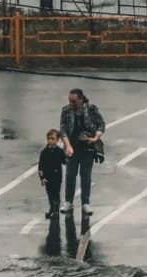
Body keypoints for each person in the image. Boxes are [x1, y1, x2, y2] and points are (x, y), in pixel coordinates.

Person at [59, 88, 105, 216]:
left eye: (74, 101)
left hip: (88, 147)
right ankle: (68, 202)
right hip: (72, 146)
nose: (71, 104)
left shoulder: (91, 109)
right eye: (70, 101)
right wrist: (68, 146)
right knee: (70, 175)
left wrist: (95, 138)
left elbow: (101, 124)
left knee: (85, 175)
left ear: (80, 99)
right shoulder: (66, 110)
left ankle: (86, 203)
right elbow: (62, 130)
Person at [38, 128, 65, 218]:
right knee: (49, 194)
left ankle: (55, 210)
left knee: (56, 193)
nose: (50, 141)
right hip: (48, 177)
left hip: (57, 176)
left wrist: (68, 155)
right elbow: (41, 167)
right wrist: (42, 178)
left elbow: (64, 161)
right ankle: (52, 208)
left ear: (57, 140)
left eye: (52, 139)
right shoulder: (44, 152)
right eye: (49, 139)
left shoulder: (60, 151)